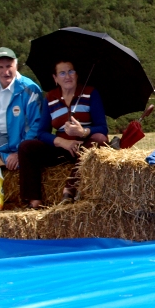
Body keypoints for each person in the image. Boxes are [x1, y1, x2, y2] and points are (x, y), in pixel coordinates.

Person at [17, 60, 108, 208]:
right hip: (61, 149)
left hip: (84, 149)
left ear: (77, 75)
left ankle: (70, 188)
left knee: (99, 139)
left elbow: (103, 128)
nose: (68, 76)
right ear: (55, 78)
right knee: (26, 147)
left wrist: (83, 132)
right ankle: (33, 201)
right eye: (62, 73)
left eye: (71, 71)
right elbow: (41, 133)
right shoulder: (50, 98)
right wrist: (62, 142)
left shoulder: (90, 93)